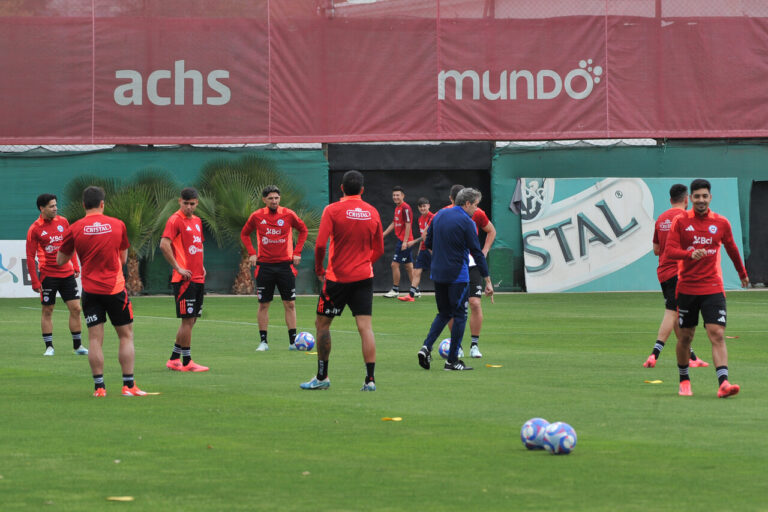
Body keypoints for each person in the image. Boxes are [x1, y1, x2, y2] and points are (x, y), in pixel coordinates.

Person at [57, 186, 148, 397]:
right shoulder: (118, 225)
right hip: (115, 289)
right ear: (102, 204)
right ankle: (128, 385)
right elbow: (123, 259)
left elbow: (61, 260)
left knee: (95, 339)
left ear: (83, 205)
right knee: (126, 336)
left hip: (91, 291)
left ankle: (99, 388)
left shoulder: (75, 228)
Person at [300, 170, 384, 391]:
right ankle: (370, 380)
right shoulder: (372, 212)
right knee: (365, 328)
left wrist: (319, 268)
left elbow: (319, 245)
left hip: (337, 279)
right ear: (362, 190)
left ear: (341, 188)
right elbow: (379, 249)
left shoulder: (333, 210)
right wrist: (365, 262)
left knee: (322, 325)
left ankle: (322, 377)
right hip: (364, 278)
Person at [665, 179, 749, 398]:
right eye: (697, 196)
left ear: (710, 198)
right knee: (685, 337)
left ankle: (723, 383)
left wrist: (742, 273)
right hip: (687, 289)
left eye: (705, 196)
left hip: (712, 287)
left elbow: (731, 248)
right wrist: (689, 254)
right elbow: (669, 251)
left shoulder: (721, 223)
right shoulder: (680, 221)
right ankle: (684, 380)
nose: (701, 200)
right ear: (689, 199)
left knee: (717, 334)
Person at [417, 187, 494, 371]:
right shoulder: (467, 222)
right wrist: (487, 280)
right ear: (466, 203)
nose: (476, 209)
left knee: (443, 313)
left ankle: (426, 347)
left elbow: (427, 242)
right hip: (457, 275)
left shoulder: (439, 215)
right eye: (475, 205)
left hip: (438, 273)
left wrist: (441, 256)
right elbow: (476, 252)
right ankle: (452, 361)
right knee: (460, 315)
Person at [644, 184, 708, 368]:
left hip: (664, 272)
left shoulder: (662, 218)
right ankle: (654, 354)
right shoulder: (687, 218)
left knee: (677, 314)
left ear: (670, 200)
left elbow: (656, 250)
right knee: (673, 312)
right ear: (687, 199)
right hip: (680, 272)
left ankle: (692, 357)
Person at [241, 185, 308, 351]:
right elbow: (244, 233)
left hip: (285, 266)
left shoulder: (288, 214)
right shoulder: (257, 216)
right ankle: (263, 342)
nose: (274, 201)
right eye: (270, 198)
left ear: (280, 199)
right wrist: (252, 253)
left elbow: (303, 230)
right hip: (265, 267)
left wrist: (297, 251)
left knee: (290, 304)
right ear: (264, 200)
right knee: (264, 304)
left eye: (276, 198)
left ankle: (293, 342)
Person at [439, 184, 497, 358]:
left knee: (475, 303)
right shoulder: (444, 213)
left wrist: (484, 251)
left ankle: (474, 345)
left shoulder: (477, 213)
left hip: (472, 264)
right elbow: (429, 236)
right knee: (454, 307)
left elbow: (491, 231)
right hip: (454, 265)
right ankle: (457, 345)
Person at [26, 193, 87, 356]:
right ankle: (49, 347)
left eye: (56, 205)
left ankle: (78, 346)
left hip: (66, 274)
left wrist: (75, 264)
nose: (55, 208)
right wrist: (35, 281)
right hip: (48, 275)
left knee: (76, 308)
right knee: (48, 310)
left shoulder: (63, 221)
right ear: (42, 208)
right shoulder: (34, 228)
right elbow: (30, 257)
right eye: (51, 206)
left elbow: (69, 245)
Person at [159, 187, 209, 372]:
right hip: (184, 279)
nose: (189, 207)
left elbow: (197, 245)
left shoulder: (197, 221)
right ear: (180, 201)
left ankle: (174, 358)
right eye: (186, 203)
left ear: (197, 203)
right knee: (187, 320)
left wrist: (201, 265)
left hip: (197, 277)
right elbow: (164, 244)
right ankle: (187, 361)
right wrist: (178, 267)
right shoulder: (174, 220)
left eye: (192, 204)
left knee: (192, 319)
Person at [399, 197, 434, 301]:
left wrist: (413, 242)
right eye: (420, 207)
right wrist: (419, 251)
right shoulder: (420, 219)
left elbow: (426, 235)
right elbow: (423, 237)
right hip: (424, 249)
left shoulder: (432, 218)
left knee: (440, 271)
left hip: (433, 249)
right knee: (416, 272)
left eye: (424, 206)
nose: (423, 208)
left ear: (428, 206)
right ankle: (411, 295)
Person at [382, 185, 414, 298]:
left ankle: (395, 290)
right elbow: (394, 223)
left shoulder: (405, 208)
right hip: (403, 240)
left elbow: (408, 224)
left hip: (404, 241)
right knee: (409, 266)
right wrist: (384, 234)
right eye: (394, 195)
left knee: (394, 264)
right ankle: (416, 289)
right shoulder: (397, 208)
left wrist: (405, 242)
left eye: (398, 195)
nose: (395, 197)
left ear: (403, 196)